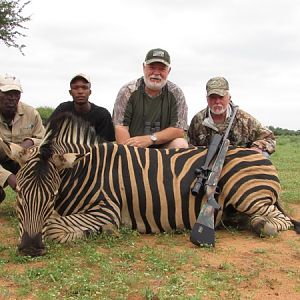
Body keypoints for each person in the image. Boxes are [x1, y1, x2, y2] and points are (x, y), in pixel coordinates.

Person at [112, 48, 189, 148]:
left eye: (162, 69)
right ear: (144, 67)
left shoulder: (176, 93)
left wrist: (150, 139)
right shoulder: (127, 91)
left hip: (163, 151)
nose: (156, 73)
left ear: (169, 71)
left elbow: (179, 130)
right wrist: (131, 153)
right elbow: (120, 127)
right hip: (134, 149)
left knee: (181, 144)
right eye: (152, 67)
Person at [187, 77, 276, 156]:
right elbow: (190, 146)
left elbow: (269, 138)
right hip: (206, 165)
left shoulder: (245, 119)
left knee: (262, 156)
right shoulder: (197, 120)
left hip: (239, 166)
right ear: (207, 99)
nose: (217, 101)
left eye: (221, 97)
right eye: (213, 97)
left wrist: (257, 148)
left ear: (229, 98)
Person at [0, 74, 45, 202]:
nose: (12, 98)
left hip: (25, 159)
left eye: (16, 93)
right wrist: (8, 177)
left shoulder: (31, 113)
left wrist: (29, 142)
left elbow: (43, 137)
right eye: (7, 93)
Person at [48, 73, 115, 142]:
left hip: (93, 152)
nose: (80, 92)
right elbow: (48, 134)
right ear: (70, 92)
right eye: (75, 88)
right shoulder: (62, 109)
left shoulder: (103, 114)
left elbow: (107, 144)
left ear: (90, 92)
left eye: (84, 88)